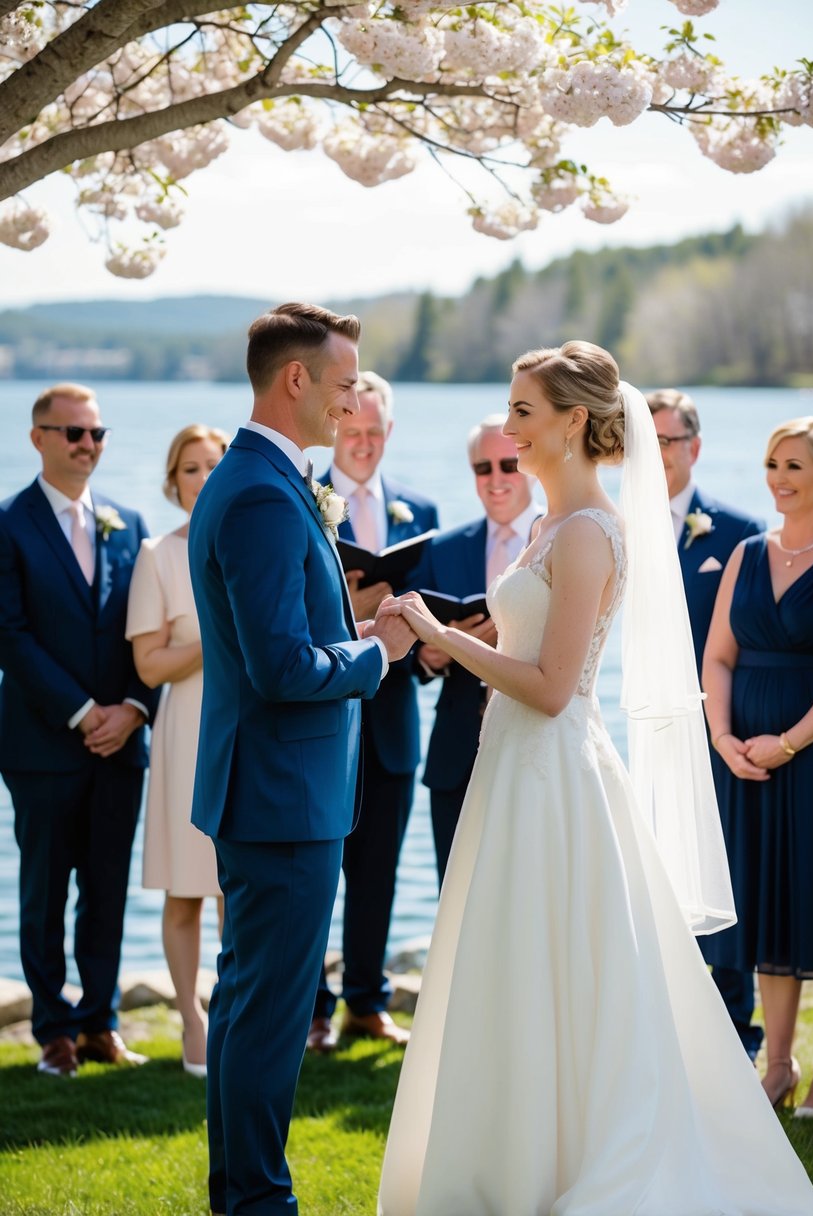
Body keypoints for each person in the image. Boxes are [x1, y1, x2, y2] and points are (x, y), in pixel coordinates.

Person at [376, 343, 813, 1215]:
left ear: (572, 421)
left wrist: (443, 633)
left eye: (522, 412)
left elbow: (548, 688)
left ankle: (570, 1155)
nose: (508, 430)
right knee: (503, 964)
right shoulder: (547, 527)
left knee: (559, 966)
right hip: (511, 772)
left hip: (551, 776)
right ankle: (504, 1156)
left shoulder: (586, 533)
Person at [188, 304, 415, 1216]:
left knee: (250, 1008)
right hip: (281, 799)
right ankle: (257, 1201)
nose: (352, 398)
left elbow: (275, 642)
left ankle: (242, 1194)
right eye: (345, 380)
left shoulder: (265, 482)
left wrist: (351, 629)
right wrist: (375, 657)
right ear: (296, 381)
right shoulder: (257, 493)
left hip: (275, 792)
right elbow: (281, 670)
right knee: (268, 1017)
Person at [0, 382, 158, 1078]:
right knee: (43, 893)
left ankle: (101, 1022)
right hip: (41, 744)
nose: (87, 446)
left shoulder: (128, 521)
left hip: (121, 742)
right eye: (73, 434)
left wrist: (131, 708)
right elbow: (11, 634)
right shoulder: (8, 524)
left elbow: (147, 629)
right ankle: (53, 1030)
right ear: (38, 438)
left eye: (96, 434)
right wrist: (81, 711)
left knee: (108, 887)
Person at [702, 415, 813, 1118]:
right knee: (769, 907)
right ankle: (776, 1065)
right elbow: (718, 655)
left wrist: (789, 741)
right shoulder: (748, 552)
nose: (776, 479)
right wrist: (722, 736)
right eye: (771, 465)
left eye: (792, 467)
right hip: (746, 756)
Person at [309, 371, 439, 1051]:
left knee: (377, 872)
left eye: (373, 431)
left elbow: (430, 611)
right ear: (336, 429)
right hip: (323, 719)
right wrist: (353, 615)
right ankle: (312, 1008)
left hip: (390, 721)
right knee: (316, 872)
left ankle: (366, 999)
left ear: (388, 432)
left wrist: (433, 650)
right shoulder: (304, 501)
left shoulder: (418, 511)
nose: (361, 443)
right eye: (350, 430)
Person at [648, 387, 765, 1060]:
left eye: (670, 440)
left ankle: (733, 1028)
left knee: (721, 870)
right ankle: (664, 1021)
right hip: (641, 724)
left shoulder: (737, 532)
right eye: (649, 439)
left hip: (715, 722)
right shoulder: (614, 524)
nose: (660, 452)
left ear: (694, 446)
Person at [126, 424, 229, 1077]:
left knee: (234, 887)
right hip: (185, 733)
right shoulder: (156, 555)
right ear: (174, 481)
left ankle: (234, 1017)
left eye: (213, 466)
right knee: (185, 891)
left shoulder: (246, 548)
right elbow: (148, 665)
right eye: (190, 469)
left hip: (242, 732)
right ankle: (191, 1020)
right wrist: (216, 640)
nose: (202, 478)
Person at [414, 414, 539, 886]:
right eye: (482, 468)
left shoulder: (558, 537)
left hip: (534, 743)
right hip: (456, 752)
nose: (496, 479)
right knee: (458, 897)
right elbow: (417, 657)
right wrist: (430, 656)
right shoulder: (442, 549)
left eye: (508, 464)